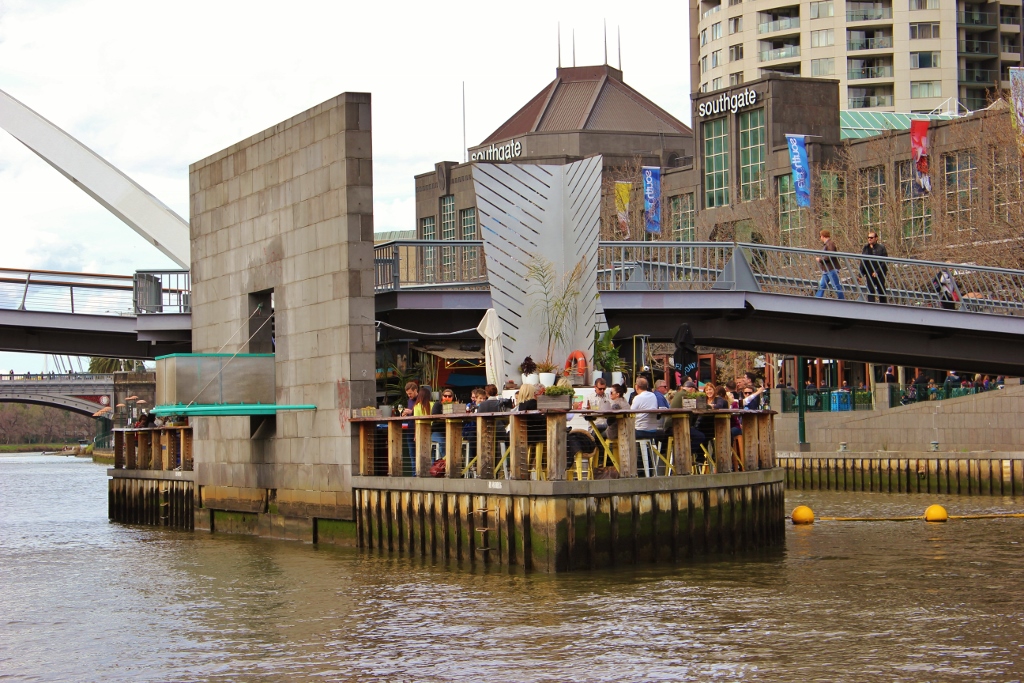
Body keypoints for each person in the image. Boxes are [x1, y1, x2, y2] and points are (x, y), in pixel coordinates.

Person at [815, 228, 845, 299]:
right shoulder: (827, 244)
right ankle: (817, 299)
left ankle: (842, 301)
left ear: (822, 236)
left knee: (836, 286)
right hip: (826, 269)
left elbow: (829, 256)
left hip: (831, 269)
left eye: (820, 236)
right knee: (822, 285)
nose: (820, 238)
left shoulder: (830, 243)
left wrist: (820, 260)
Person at [859, 231, 889, 303]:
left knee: (881, 288)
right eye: (868, 237)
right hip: (869, 271)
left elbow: (885, 261)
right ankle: (871, 305)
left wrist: (877, 272)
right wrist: (860, 273)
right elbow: (863, 261)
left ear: (876, 238)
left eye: (871, 237)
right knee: (870, 289)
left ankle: (883, 305)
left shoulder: (881, 247)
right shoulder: (866, 247)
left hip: (880, 272)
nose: (869, 239)